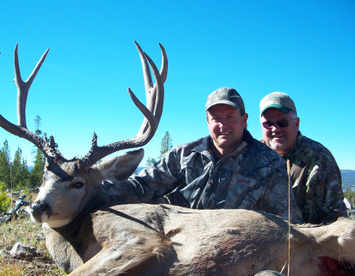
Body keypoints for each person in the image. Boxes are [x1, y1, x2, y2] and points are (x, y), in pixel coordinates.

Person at [102, 87, 301, 222]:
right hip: (174, 244)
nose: (223, 125)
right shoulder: (183, 155)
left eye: (230, 117)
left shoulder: (270, 165)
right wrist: (94, 190)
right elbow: (142, 186)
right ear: (207, 121)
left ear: (244, 120)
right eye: (216, 118)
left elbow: (288, 223)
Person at [259, 92, 347, 224]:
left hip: (306, 241)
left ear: (297, 123)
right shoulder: (252, 154)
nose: (275, 129)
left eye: (282, 122)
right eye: (268, 124)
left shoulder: (319, 158)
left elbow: (336, 219)